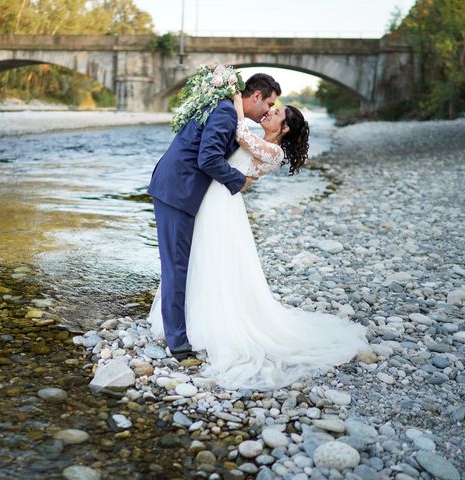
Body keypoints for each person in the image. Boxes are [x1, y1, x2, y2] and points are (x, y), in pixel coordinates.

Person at [148, 93, 370, 390]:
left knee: (214, 260)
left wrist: (234, 96)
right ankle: (190, 321)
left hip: (223, 202)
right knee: (199, 259)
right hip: (212, 196)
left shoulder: (272, 150)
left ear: (285, 128)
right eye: (269, 107)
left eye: (274, 112)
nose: (268, 113)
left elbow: (239, 137)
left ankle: (212, 325)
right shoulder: (256, 136)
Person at [147, 73, 281, 360]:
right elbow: (207, 158)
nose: (268, 111)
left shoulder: (225, 109)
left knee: (184, 262)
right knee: (176, 267)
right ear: (255, 96)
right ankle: (178, 343)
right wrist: (238, 181)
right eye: (268, 103)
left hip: (180, 188)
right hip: (177, 191)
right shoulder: (225, 113)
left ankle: (183, 327)